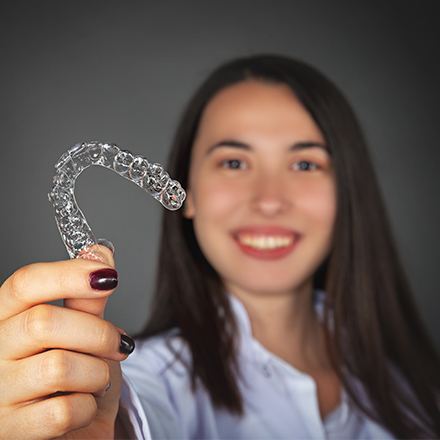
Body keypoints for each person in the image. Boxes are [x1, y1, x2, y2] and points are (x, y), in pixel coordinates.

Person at [0, 54, 439, 439]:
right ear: (187, 191)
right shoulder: (151, 381)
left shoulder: (416, 384)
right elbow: (134, 419)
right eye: (233, 162)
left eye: (305, 163)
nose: (269, 199)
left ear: (348, 191)